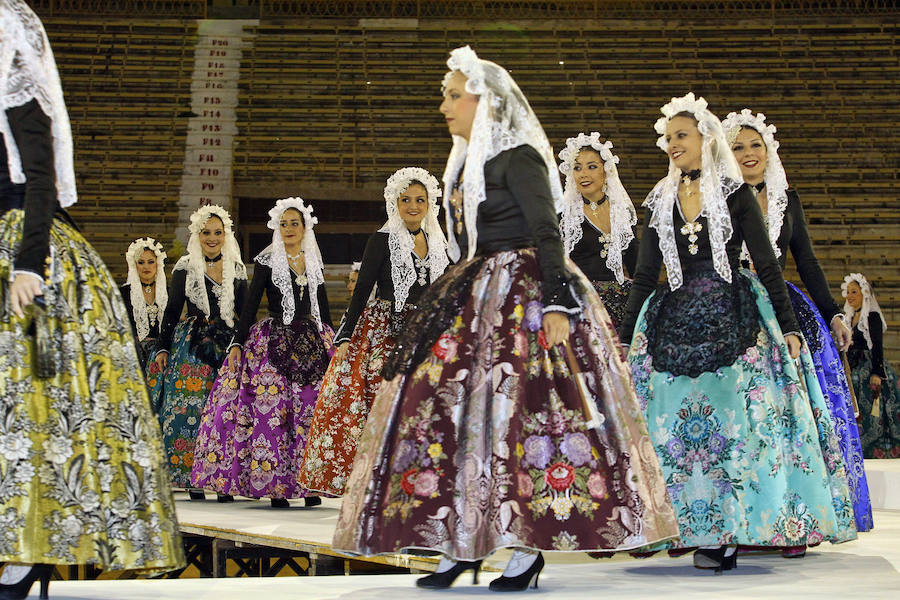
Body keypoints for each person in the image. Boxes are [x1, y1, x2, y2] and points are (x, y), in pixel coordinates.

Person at [332, 46, 678, 592]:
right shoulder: (468, 161)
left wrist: (559, 304)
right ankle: (459, 540)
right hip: (478, 288)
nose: (444, 106)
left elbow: (546, 230)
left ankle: (521, 549)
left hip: (524, 294)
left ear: (483, 100)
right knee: (449, 413)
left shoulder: (518, 156)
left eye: (453, 96)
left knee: (520, 416)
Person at [619, 93, 857, 572]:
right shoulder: (659, 199)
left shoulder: (735, 193)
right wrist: (624, 338)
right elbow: (646, 277)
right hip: (675, 316)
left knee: (736, 424)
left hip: (736, 310)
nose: (672, 145)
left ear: (705, 139)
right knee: (672, 424)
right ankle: (687, 525)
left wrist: (790, 327)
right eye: (668, 139)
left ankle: (729, 532)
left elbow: (770, 265)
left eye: (680, 136)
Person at [0, 2, 183, 597]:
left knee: (40, 414)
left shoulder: (21, 100)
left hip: (28, 252)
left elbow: (40, 180)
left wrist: (28, 263)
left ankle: (32, 556)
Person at [724, 109, 873, 536]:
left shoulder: (788, 199)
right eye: (738, 146)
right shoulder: (719, 197)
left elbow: (806, 261)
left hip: (787, 307)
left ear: (769, 151)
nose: (749, 153)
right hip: (735, 306)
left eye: (756, 145)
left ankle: (802, 507)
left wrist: (833, 314)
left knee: (801, 413)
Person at [297, 167, 448, 497]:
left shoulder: (439, 242)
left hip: (425, 333)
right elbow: (363, 287)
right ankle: (375, 481)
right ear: (394, 202)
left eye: (419, 200)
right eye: (405, 199)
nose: (412, 205)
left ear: (429, 204)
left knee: (422, 407)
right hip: (385, 330)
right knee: (381, 405)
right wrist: (346, 333)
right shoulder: (381, 240)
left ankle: (414, 478)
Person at [191, 198, 334, 507]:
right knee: (274, 413)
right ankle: (275, 486)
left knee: (309, 410)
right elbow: (251, 306)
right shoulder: (267, 261)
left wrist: (332, 339)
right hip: (274, 340)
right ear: (276, 228)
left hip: (309, 338)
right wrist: (238, 343)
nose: (289, 229)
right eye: (283, 224)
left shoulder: (313, 260)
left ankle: (308, 485)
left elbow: (321, 305)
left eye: (294, 223)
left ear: (305, 227)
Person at [149, 204, 248, 496]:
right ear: (197, 234)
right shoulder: (185, 266)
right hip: (192, 345)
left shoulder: (237, 269)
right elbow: (171, 311)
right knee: (190, 408)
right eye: (206, 232)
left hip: (228, 345)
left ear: (226, 234)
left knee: (225, 410)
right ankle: (193, 477)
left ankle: (222, 480)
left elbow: (245, 312)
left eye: (218, 232)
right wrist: (162, 348)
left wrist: (248, 344)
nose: (212, 237)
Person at [558, 132, 638, 329]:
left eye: (591, 166)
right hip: (582, 305)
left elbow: (635, 264)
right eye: (577, 168)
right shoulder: (564, 215)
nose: (583, 174)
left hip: (621, 305)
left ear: (606, 170)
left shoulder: (623, 212)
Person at [842, 273, 900, 458]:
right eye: (848, 292)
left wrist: (877, 372)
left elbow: (876, 344)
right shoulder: (848, 317)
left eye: (854, 291)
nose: (850, 296)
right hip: (851, 363)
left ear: (864, 293)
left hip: (869, 363)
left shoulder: (871, 316)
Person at [121, 237, 167, 369]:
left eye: (150, 262)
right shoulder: (124, 293)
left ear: (158, 263)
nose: (146, 266)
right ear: (134, 265)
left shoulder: (167, 292)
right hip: (133, 356)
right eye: (141, 262)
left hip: (162, 354)